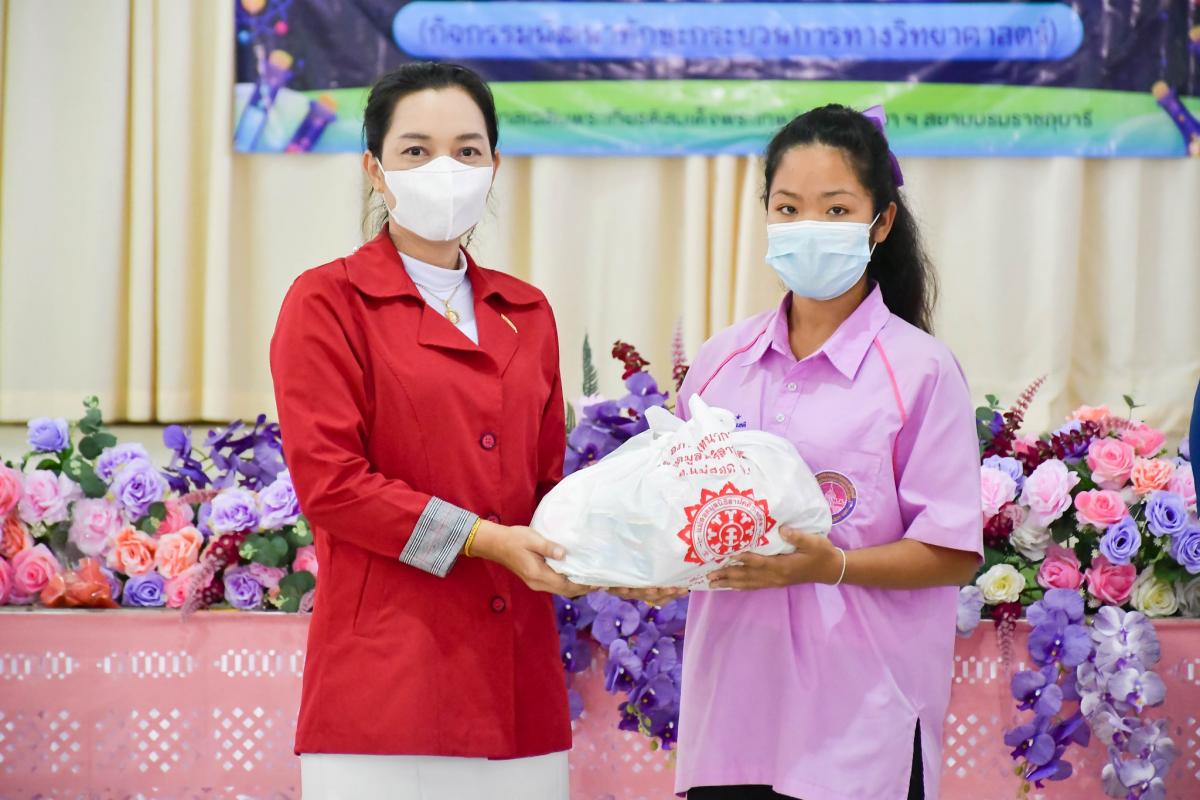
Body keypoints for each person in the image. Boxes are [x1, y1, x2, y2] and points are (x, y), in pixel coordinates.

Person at [269, 62, 590, 800]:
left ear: (494, 166)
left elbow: (548, 490)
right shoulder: (327, 302)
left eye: (467, 151)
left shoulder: (527, 312)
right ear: (375, 171)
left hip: (518, 689)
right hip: (390, 688)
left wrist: (631, 556)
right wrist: (483, 539)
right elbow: (333, 487)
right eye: (416, 150)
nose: (445, 169)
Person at [672, 105, 983, 800]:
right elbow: (676, 511)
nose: (809, 226)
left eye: (836, 209)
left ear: (882, 222)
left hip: (861, 727)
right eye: (788, 208)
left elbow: (953, 551)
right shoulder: (721, 361)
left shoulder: (921, 370)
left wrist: (833, 565)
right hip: (732, 725)